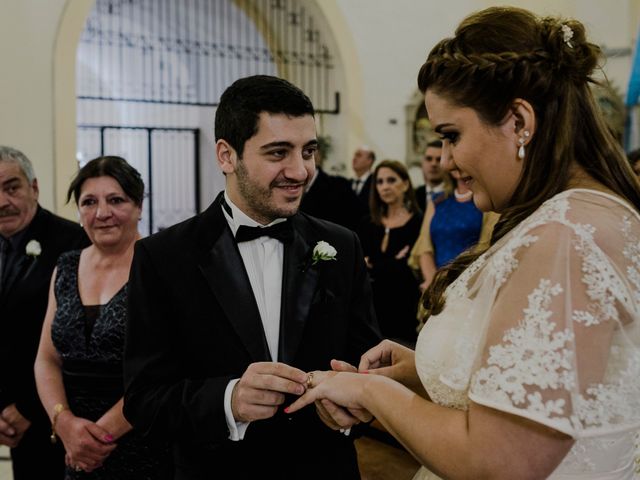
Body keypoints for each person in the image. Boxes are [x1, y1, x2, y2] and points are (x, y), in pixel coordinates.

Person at [285, 7, 640, 479]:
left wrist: (373, 394)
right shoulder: (589, 214)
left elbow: (501, 463)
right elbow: (552, 387)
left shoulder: (564, 234)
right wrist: (425, 370)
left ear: (518, 121)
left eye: (452, 136)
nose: (447, 160)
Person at [122, 75, 381, 479]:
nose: (300, 171)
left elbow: (366, 370)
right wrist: (229, 400)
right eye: (278, 152)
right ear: (227, 156)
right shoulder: (163, 257)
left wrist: (351, 411)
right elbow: (144, 400)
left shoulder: (341, 247)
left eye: (308, 151)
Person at [34, 156, 168, 479]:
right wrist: (64, 423)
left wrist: (99, 437)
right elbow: (46, 359)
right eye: (89, 202)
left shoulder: (161, 268)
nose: (102, 213)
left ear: (138, 206)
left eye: (116, 200)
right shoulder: (65, 267)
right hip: (75, 449)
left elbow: (167, 371)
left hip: (143, 443)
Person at [0, 146, 89, 479]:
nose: (2, 202)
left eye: (12, 188)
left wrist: (26, 408)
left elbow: (75, 338)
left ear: (34, 188)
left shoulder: (72, 242)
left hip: (57, 416)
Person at [358, 160, 423, 347]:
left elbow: (407, 268)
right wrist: (393, 261)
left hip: (404, 306)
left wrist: (374, 264)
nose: (384, 187)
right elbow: (360, 264)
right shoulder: (367, 223)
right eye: (380, 182)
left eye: (391, 180)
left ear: (405, 184)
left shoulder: (417, 222)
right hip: (372, 307)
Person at [409, 168, 498, 292]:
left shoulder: (487, 199)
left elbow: (488, 245)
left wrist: (461, 283)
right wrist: (433, 282)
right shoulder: (437, 201)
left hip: (471, 283)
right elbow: (424, 245)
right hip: (436, 285)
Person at [300, 137, 366, 231]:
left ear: (318, 155)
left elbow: (355, 221)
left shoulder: (339, 186)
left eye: (308, 151)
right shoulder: (286, 186)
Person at [414, 140, 446, 212]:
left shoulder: (456, 195)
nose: (433, 164)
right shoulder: (413, 196)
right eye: (429, 159)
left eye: (439, 159)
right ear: (422, 163)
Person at [350, 146, 376, 213]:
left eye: (358, 155)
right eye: (354, 155)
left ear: (369, 161)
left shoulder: (376, 183)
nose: (354, 158)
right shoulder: (348, 183)